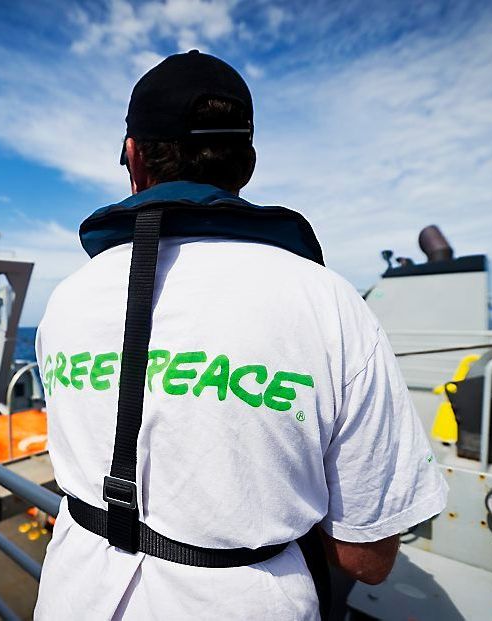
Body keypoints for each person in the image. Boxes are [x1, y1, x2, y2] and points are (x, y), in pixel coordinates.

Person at [33, 50, 447, 619]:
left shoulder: (67, 298)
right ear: (244, 164)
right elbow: (367, 558)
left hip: (72, 599)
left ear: (134, 159)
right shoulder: (329, 304)